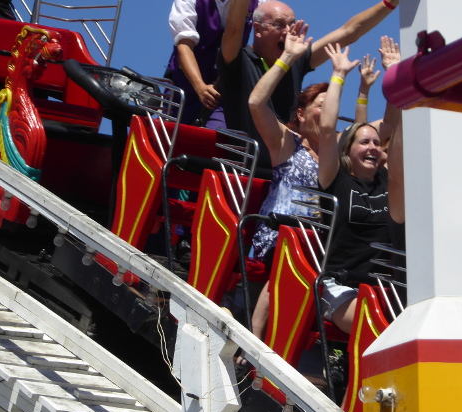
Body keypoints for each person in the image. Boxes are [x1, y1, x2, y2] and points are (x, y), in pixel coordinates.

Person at [218, 0, 399, 166]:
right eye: (279, 24)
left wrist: (390, 3)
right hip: (245, 171)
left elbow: (348, 32)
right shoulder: (238, 61)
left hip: (288, 173)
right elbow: (234, 28)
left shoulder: (296, 60)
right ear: (257, 29)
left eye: (292, 24)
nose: (288, 32)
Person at [317, 42, 404, 333]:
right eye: (364, 142)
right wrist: (339, 75)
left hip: (384, 286)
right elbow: (327, 129)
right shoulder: (336, 178)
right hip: (340, 284)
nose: (372, 148)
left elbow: (397, 124)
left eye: (377, 143)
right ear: (347, 150)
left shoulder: (388, 181)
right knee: (372, 325)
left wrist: (397, 78)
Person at [245, 30, 323, 340]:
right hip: (279, 233)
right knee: (293, 250)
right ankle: (252, 337)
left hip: (319, 240)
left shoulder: (338, 153)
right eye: (322, 105)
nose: (328, 111)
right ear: (301, 114)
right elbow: (256, 102)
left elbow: (380, 133)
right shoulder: (287, 143)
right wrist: (287, 58)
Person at [166, 0, 262, 128]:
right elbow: (184, 46)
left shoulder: (259, 3)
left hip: (224, 93)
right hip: (183, 90)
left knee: (216, 139)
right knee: (168, 140)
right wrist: (200, 87)